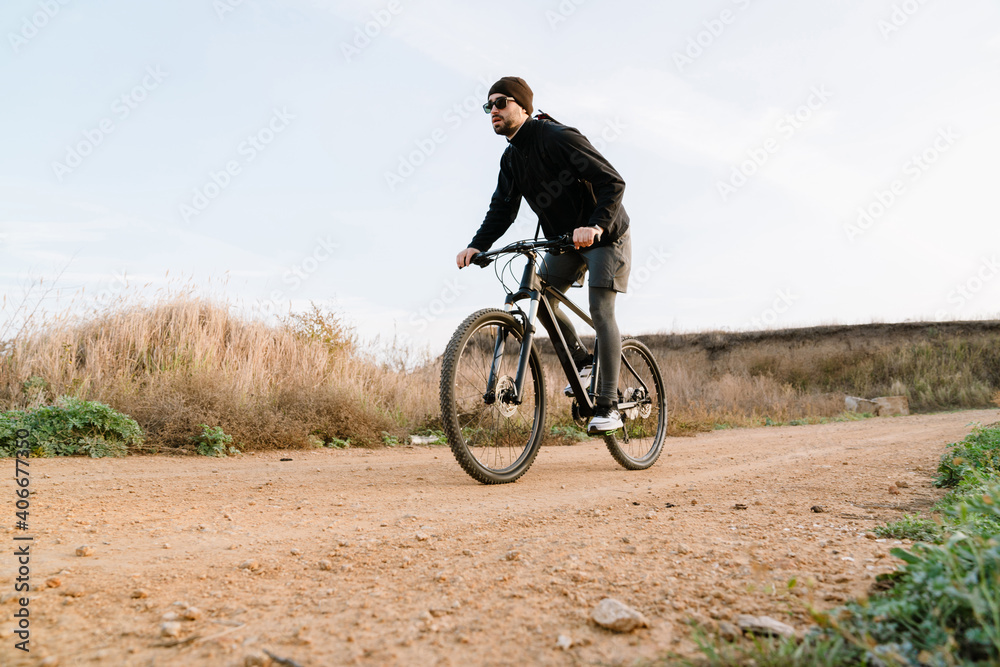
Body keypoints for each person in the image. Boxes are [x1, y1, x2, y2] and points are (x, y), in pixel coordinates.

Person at [455, 76, 632, 433]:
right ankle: (584, 362)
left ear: (523, 106)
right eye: (488, 105)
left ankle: (608, 404)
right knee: (542, 300)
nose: (494, 110)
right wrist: (478, 245)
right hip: (565, 242)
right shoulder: (511, 159)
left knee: (601, 309)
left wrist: (596, 225)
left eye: (501, 102)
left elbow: (611, 182)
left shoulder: (558, 137)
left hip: (606, 235)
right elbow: (502, 210)